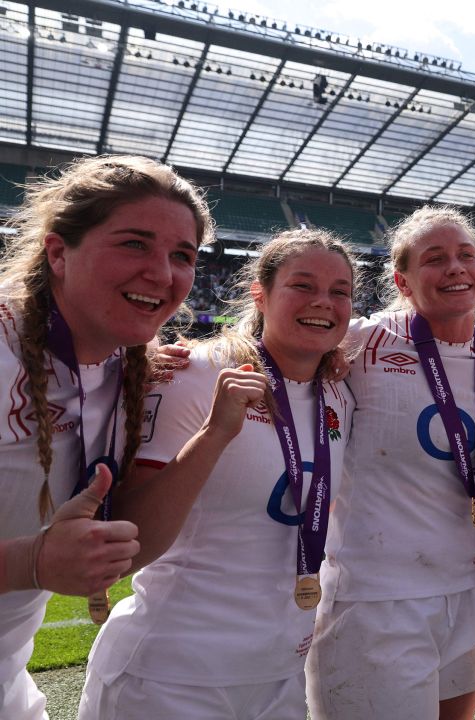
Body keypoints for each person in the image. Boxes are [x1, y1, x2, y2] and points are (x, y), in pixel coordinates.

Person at [78, 229, 357, 719]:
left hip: (280, 676)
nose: (323, 302)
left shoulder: (340, 394)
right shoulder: (197, 373)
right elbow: (131, 539)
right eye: (302, 285)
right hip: (173, 676)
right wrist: (213, 434)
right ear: (261, 293)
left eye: (340, 291)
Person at [0, 155, 211, 719]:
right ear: (58, 252)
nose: (163, 274)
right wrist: (30, 563)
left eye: (182, 256)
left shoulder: (129, 366)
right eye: (134, 244)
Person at [306, 206, 475, 720]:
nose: (455, 267)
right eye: (435, 259)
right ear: (402, 281)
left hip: (467, 595)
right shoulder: (362, 342)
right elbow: (277, 350)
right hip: (377, 600)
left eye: (466, 255)